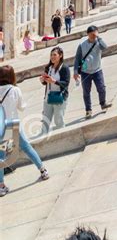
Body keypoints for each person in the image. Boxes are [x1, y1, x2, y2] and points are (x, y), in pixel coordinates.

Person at [0, 65, 49, 196]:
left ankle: (1, 186)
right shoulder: (15, 90)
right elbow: (22, 107)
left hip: (2, 127)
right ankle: (42, 170)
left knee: (2, 157)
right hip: (14, 125)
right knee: (27, 147)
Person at [73, 26, 111, 119]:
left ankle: (103, 103)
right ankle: (88, 110)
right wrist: (75, 71)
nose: (93, 36)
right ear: (88, 35)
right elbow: (77, 58)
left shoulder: (99, 42)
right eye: (91, 35)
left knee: (101, 87)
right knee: (86, 92)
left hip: (97, 70)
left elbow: (105, 47)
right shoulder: (82, 45)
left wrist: (99, 37)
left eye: (95, 34)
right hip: (85, 72)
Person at [40, 46, 70, 133]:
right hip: (48, 97)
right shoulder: (48, 68)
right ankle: (43, 139)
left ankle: (63, 137)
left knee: (58, 120)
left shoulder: (64, 68)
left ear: (60, 55)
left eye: (54, 55)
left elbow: (66, 83)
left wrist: (54, 81)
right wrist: (43, 80)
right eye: (51, 55)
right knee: (45, 121)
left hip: (59, 97)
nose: (52, 57)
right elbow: (46, 83)